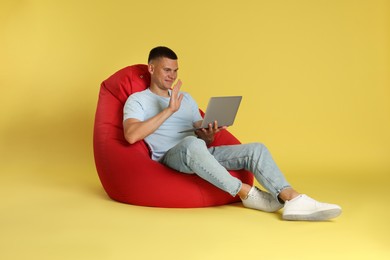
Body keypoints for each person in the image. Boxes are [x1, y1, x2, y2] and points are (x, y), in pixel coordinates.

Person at [123, 46, 342, 221]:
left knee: (256, 149)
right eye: (167, 70)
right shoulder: (138, 100)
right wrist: (170, 110)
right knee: (191, 144)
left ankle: (292, 198)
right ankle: (246, 192)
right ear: (151, 69)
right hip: (171, 156)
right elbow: (131, 135)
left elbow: (202, 140)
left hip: (199, 152)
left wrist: (209, 132)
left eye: (175, 71)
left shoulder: (185, 98)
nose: (172, 76)